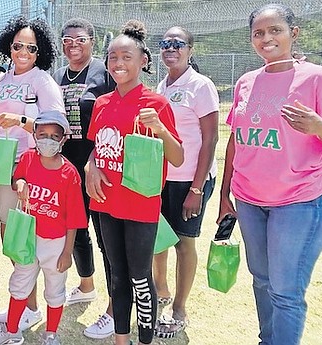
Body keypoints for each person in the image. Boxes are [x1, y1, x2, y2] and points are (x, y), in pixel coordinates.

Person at [218, 4, 322, 345]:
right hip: (249, 201)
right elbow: (235, 140)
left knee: (286, 290)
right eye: (258, 33)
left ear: (293, 34)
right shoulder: (247, 82)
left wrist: (318, 126)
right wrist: (224, 196)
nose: (267, 38)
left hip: (297, 202)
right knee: (261, 280)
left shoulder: (316, 79)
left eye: (275, 30)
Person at [86, 20, 183, 345]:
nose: (118, 64)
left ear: (143, 60)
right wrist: (92, 167)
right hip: (106, 203)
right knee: (116, 276)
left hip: (140, 205)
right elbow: (96, 150)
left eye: (126, 57)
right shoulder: (101, 104)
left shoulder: (157, 104)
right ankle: (121, 339)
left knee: (141, 278)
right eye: (112, 57)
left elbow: (178, 157)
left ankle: (145, 340)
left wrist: (162, 130)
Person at [0, 14, 65, 330]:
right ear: (8, 47)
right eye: (17, 46)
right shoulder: (1, 79)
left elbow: (57, 124)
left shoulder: (42, 80)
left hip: (29, 169)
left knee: (22, 236)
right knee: (9, 236)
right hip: (0, 166)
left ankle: (31, 307)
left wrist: (23, 123)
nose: (23, 52)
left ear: (40, 52)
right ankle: (25, 302)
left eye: (31, 47)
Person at [0, 110, 86, 345]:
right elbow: (16, 178)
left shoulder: (69, 173)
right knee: (20, 282)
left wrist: (67, 252)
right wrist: (20, 182)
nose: (47, 140)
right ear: (34, 135)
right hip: (29, 236)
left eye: (54, 135)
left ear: (63, 139)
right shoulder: (28, 159)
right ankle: (11, 331)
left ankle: (51, 334)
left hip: (55, 242)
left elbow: (74, 218)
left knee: (55, 288)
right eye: (42, 134)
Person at [152, 26, 219, 338]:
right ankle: (161, 293)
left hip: (190, 180)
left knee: (183, 242)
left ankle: (179, 307)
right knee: (160, 239)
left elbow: (210, 139)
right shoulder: (161, 86)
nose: (171, 49)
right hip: (163, 178)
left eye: (178, 44)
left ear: (190, 49)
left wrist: (196, 188)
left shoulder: (200, 85)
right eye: (165, 44)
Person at [51, 17, 115, 340]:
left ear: (92, 41)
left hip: (99, 168)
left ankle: (116, 308)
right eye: (67, 40)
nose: (72, 45)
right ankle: (86, 285)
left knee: (107, 239)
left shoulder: (104, 74)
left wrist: (97, 162)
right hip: (67, 169)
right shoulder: (58, 77)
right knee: (75, 230)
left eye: (79, 39)